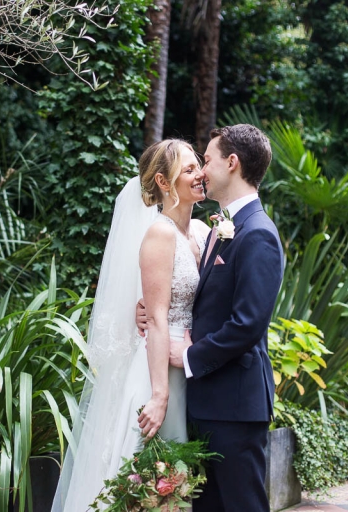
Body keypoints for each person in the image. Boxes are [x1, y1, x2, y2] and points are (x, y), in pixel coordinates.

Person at [52, 139, 208, 511]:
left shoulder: (203, 231)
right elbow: (155, 317)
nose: (200, 174)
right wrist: (159, 395)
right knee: (146, 475)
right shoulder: (160, 233)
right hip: (158, 368)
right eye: (188, 169)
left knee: (179, 477)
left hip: (189, 362)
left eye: (198, 165)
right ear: (164, 182)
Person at [166, 124, 283, 511]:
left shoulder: (258, 233)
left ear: (232, 163)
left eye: (208, 160)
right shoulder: (222, 228)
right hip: (209, 401)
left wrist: (188, 357)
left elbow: (247, 324)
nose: (202, 170)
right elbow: (205, 301)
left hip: (235, 404)